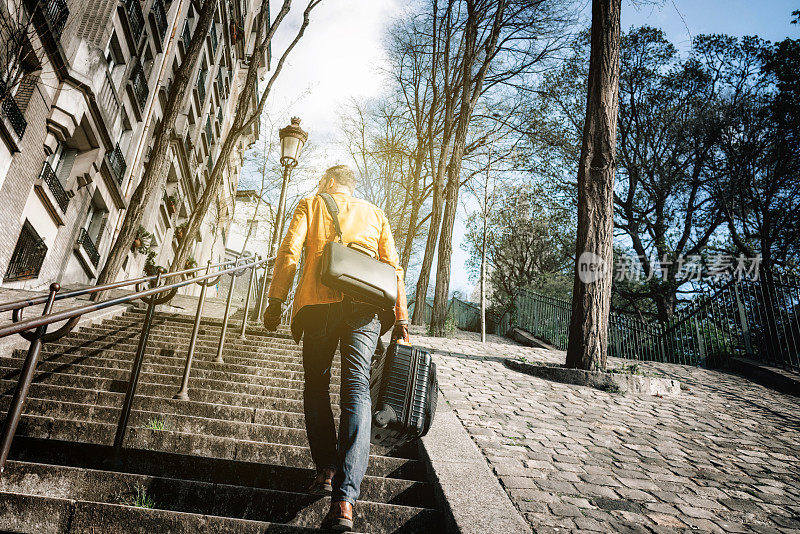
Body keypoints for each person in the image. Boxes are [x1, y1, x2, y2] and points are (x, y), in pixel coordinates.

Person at [262, 164, 410, 532]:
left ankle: (327, 470)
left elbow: (289, 252)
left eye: (321, 181)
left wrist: (276, 299)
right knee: (356, 390)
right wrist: (402, 319)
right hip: (366, 309)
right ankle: (344, 502)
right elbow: (394, 268)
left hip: (318, 304)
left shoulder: (311, 204)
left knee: (315, 385)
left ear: (329, 183)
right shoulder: (375, 213)